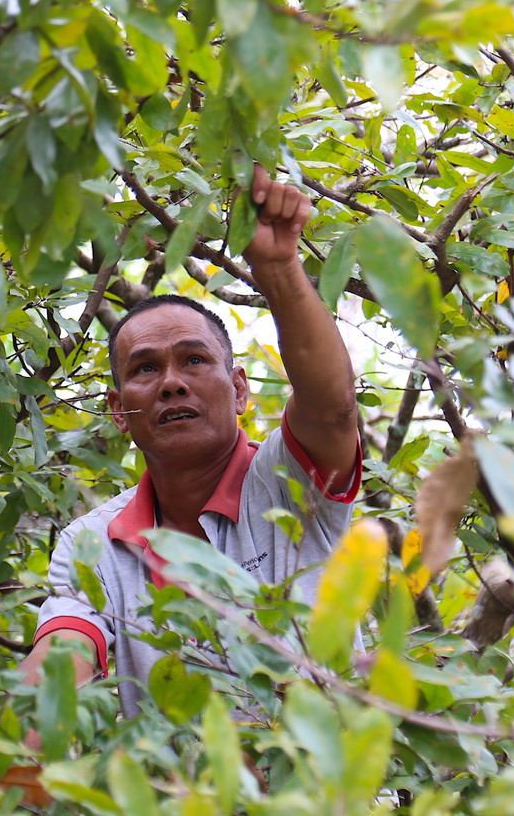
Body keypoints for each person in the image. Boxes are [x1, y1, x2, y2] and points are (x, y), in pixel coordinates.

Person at [18, 165, 361, 719]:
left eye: (195, 360)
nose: (172, 381)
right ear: (118, 411)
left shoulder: (288, 482)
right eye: (146, 368)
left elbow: (334, 406)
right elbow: (61, 663)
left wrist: (278, 269)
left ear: (239, 388)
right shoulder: (91, 545)